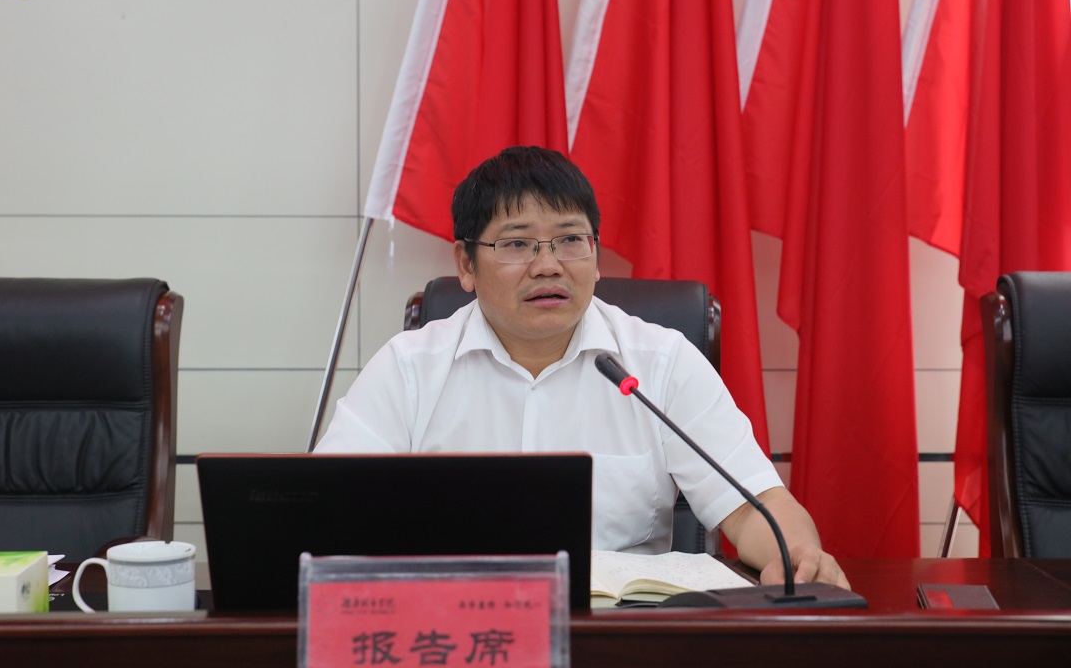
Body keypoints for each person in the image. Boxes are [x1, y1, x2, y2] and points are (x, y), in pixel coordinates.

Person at [316, 145, 849, 590]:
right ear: (466, 264)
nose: (548, 265)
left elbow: (754, 504)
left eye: (571, 240)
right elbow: (327, 511)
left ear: (595, 254)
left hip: (621, 638)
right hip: (456, 632)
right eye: (517, 243)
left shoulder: (660, 364)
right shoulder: (409, 369)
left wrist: (797, 554)